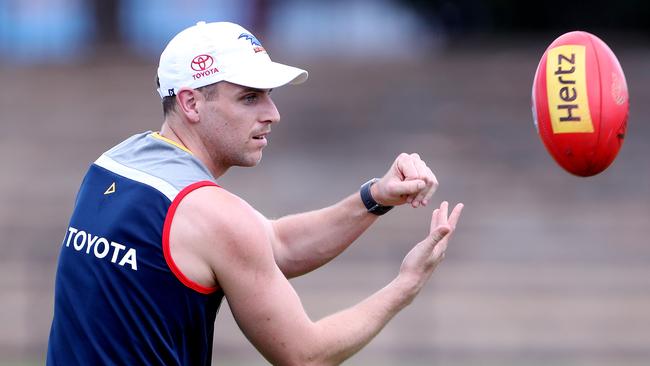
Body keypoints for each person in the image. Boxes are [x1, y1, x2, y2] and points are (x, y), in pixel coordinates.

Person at [47, 21, 464, 365]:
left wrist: (375, 196)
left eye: (268, 95)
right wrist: (404, 287)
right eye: (249, 97)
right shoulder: (209, 213)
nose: (273, 113)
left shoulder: (112, 163)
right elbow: (305, 355)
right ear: (191, 103)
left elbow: (274, 245)